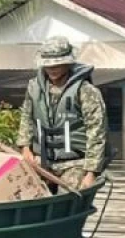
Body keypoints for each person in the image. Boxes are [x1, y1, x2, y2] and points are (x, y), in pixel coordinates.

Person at [17, 37, 109, 191]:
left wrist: (91, 173)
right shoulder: (34, 87)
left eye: (58, 64)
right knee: (19, 187)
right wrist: (25, 148)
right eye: (48, 65)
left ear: (68, 63)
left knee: (67, 193)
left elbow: (97, 133)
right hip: (41, 161)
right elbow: (26, 118)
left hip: (76, 163)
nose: (52, 69)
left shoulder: (86, 91)